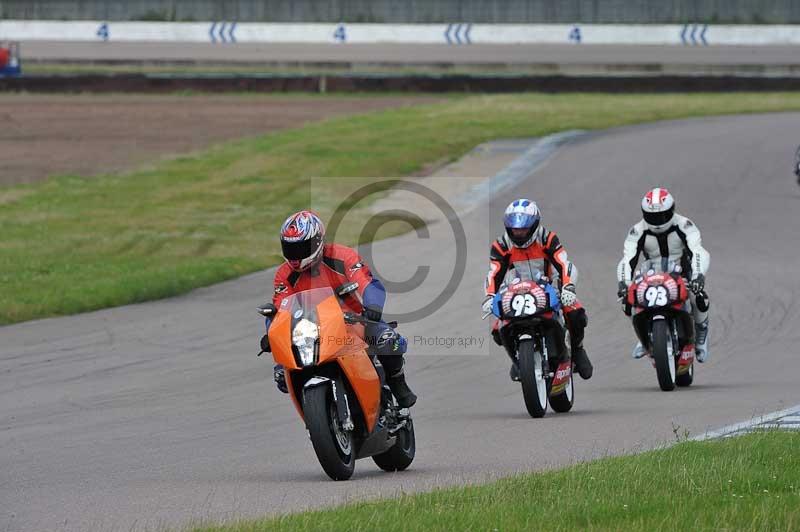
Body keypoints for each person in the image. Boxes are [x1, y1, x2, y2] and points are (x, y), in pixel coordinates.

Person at [261, 210, 417, 408]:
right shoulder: (284, 274)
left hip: (355, 321)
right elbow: (279, 308)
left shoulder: (342, 256)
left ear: (317, 242)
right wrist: (273, 337)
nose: (295, 255)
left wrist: (373, 306)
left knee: (389, 342)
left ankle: (397, 382)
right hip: (311, 331)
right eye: (290, 248)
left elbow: (367, 282)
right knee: (282, 374)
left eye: (300, 247)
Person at [482, 199, 593, 381]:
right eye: (515, 229)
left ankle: (578, 349)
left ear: (534, 225)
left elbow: (565, 264)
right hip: (515, 292)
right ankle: (519, 359)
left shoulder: (547, 239)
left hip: (548, 286)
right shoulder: (501, 245)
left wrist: (568, 287)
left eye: (524, 229)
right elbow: (494, 273)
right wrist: (489, 297)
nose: (519, 233)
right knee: (497, 329)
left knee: (576, 313)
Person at [616, 187, 711, 362]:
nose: (658, 222)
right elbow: (627, 258)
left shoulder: (684, 225)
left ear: (672, 210)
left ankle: (701, 332)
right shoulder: (637, 231)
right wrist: (624, 282)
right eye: (653, 217)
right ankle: (644, 338)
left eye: (662, 216)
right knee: (627, 302)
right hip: (650, 276)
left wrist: (698, 275)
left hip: (681, 274)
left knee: (699, 298)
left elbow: (698, 251)